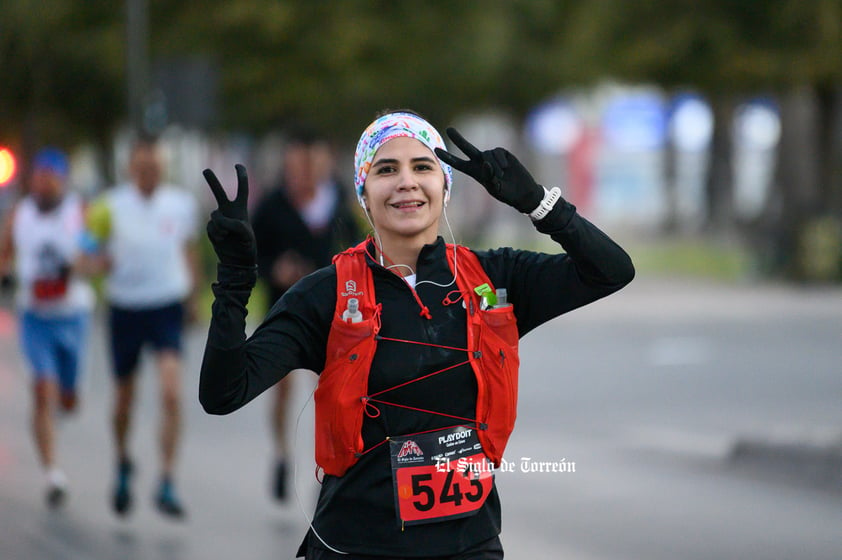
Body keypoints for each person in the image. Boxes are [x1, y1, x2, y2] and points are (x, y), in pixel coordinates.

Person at [199, 110, 634, 558]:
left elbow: (612, 271)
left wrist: (540, 204)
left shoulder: (497, 277)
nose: (406, 181)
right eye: (386, 169)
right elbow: (222, 394)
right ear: (363, 194)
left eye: (423, 167)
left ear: (445, 186)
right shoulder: (325, 294)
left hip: (471, 546)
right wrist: (233, 281)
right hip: (354, 547)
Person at [82, 138, 199, 519]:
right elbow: (86, 255)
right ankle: (121, 461)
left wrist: (194, 296)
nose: (149, 175)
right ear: (131, 169)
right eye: (142, 168)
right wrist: (98, 264)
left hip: (165, 304)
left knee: (171, 392)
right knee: (124, 399)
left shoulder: (180, 205)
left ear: (162, 169)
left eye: (155, 169)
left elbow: (188, 250)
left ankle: (167, 478)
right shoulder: (108, 207)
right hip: (126, 308)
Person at [251, 127, 363, 501]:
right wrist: (275, 269)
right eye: (298, 164)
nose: (306, 171)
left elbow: (359, 248)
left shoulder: (339, 203)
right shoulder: (271, 206)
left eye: (314, 162)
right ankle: (282, 453)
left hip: (334, 314)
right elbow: (253, 257)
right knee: (281, 388)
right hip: (285, 310)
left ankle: (328, 469)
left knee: (330, 391)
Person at [0, 147, 94, 508]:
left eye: (51, 177)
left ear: (63, 180)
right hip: (35, 317)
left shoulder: (77, 211)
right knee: (42, 390)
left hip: (72, 315)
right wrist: (7, 275)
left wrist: (81, 264)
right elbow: (6, 257)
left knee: (67, 400)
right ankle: (52, 473)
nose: (44, 183)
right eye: (39, 177)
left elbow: (91, 249)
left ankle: (62, 403)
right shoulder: (18, 215)